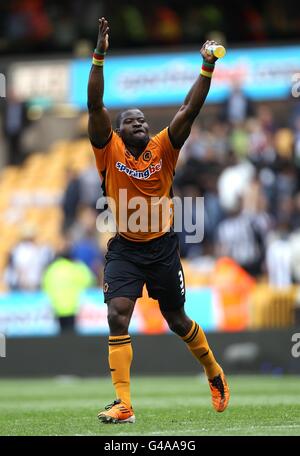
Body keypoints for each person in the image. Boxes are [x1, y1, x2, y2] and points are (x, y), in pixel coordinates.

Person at [88, 17, 230, 424]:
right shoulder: (107, 149)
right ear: (118, 130)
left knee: (176, 319)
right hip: (126, 248)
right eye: (133, 121)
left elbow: (190, 108)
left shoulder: (163, 148)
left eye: (145, 122)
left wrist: (207, 66)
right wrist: (99, 55)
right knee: (117, 312)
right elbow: (95, 105)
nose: (142, 125)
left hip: (163, 246)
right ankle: (124, 403)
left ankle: (213, 371)